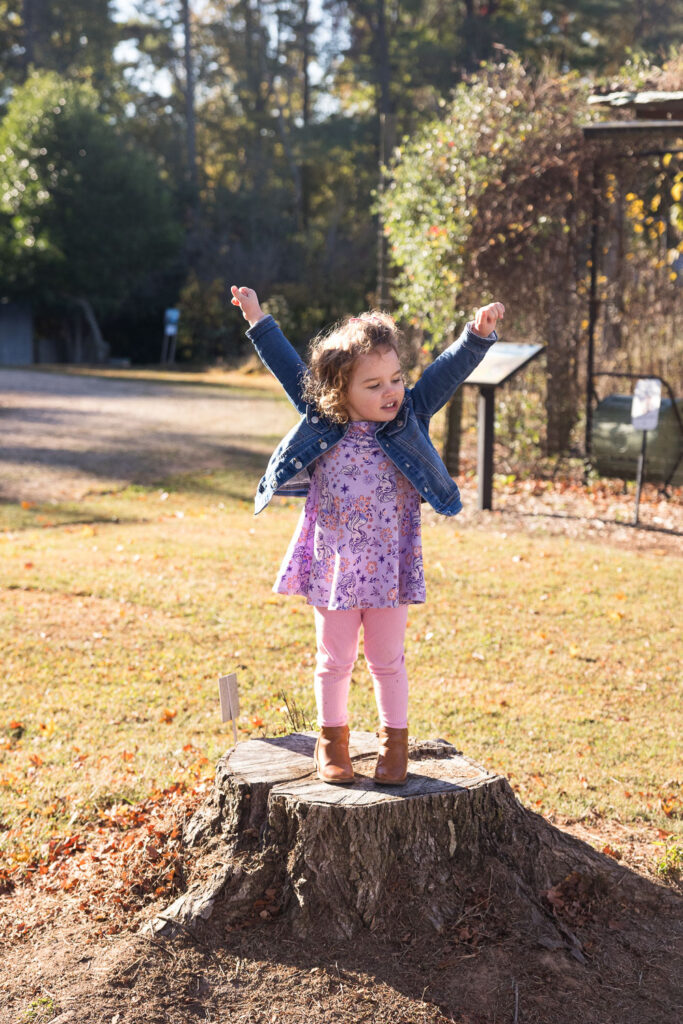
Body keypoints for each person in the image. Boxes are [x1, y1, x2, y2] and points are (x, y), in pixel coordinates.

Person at [230, 284, 504, 787]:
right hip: (333, 566)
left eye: (395, 379)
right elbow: (289, 364)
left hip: (389, 569)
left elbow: (442, 375)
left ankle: (393, 745)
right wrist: (257, 318)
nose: (391, 392)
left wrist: (476, 336)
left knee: (387, 660)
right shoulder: (322, 417)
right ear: (340, 390)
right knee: (333, 660)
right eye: (373, 385)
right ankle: (331, 743)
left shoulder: (408, 419)